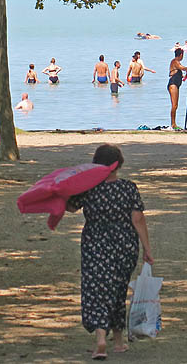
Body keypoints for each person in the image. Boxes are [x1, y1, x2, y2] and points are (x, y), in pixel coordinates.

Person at [65, 144, 152, 360]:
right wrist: (147, 249)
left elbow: (70, 207)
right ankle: (119, 341)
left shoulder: (88, 188)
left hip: (95, 243)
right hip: (124, 245)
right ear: (119, 165)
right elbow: (137, 219)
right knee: (117, 290)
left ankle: (101, 339)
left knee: (96, 290)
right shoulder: (129, 188)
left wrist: (64, 190)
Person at [167, 48, 187, 129]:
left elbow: (179, 71)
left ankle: (174, 123)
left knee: (176, 105)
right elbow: (182, 68)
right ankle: (173, 124)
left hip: (176, 84)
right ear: (181, 55)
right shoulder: (174, 61)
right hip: (173, 84)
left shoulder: (176, 63)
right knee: (174, 105)